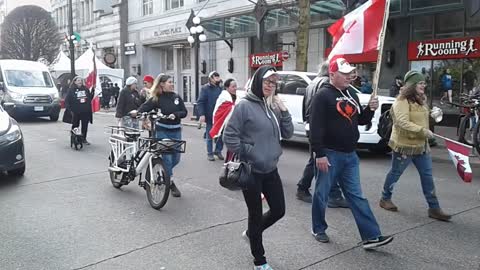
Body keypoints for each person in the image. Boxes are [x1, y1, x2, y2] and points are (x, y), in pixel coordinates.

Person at [310, 57, 393, 249]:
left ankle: (371, 236)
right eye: (344, 73)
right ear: (332, 75)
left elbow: (361, 120)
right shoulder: (322, 96)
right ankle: (318, 228)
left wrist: (370, 110)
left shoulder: (351, 95)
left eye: (350, 73)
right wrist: (319, 154)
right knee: (321, 194)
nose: (349, 76)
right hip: (329, 154)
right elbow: (315, 128)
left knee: (357, 196)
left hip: (350, 155)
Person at [224, 66, 293, 270]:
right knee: (255, 214)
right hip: (251, 170)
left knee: (279, 210)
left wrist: (284, 110)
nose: (271, 86)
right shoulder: (244, 106)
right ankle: (259, 261)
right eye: (267, 81)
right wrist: (250, 151)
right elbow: (230, 136)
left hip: (271, 168)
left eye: (274, 83)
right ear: (257, 81)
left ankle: (252, 233)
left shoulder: (271, 106)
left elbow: (287, 134)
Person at [379, 70, 452, 221]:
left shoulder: (421, 100)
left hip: (421, 146)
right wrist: (423, 131)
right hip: (404, 146)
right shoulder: (401, 101)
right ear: (412, 85)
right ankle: (385, 198)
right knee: (395, 173)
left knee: (427, 177)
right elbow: (402, 122)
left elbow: (423, 117)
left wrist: (433, 114)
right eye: (420, 83)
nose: (423, 85)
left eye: (424, 83)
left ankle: (434, 208)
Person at [296, 61, 348, 208]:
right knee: (321, 158)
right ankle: (306, 188)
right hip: (321, 126)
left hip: (311, 124)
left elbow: (305, 103)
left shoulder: (312, 83)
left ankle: (311, 189)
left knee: (317, 158)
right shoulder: (325, 85)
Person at [138, 74, 187, 197]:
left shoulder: (176, 97)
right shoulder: (156, 98)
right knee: (167, 159)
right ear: (162, 84)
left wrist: (176, 115)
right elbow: (144, 107)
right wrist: (139, 113)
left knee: (176, 158)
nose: (172, 84)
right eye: (170, 82)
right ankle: (169, 182)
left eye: (172, 82)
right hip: (162, 130)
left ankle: (165, 174)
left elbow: (184, 112)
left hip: (176, 130)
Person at [209, 78, 238, 162]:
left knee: (229, 142)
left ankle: (220, 153)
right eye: (233, 86)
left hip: (233, 125)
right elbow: (223, 110)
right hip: (227, 124)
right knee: (230, 143)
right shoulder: (224, 97)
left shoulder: (236, 96)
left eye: (236, 86)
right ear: (227, 88)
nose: (235, 88)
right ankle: (228, 162)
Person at [197, 71, 223, 161]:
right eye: (215, 77)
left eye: (218, 77)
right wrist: (201, 114)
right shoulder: (205, 89)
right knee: (210, 135)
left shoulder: (220, 88)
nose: (218, 79)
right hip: (210, 115)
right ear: (211, 78)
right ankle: (210, 153)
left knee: (221, 135)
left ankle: (218, 150)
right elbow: (200, 102)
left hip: (220, 115)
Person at [64, 76, 94, 145]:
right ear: (75, 82)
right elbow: (67, 100)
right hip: (76, 111)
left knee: (85, 125)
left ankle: (83, 138)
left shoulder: (85, 89)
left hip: (85, 111)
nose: (80, 81)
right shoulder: (71, 90)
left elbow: (89, 98)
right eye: (78, 80)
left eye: (81, 80)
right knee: (75, 125)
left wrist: (92, 91)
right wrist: (69, 109)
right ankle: (74, 138)